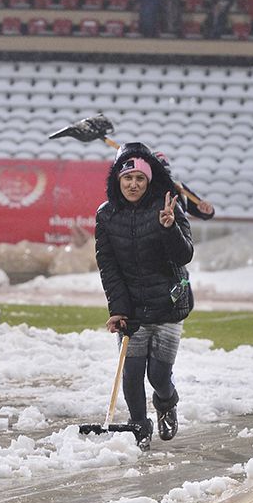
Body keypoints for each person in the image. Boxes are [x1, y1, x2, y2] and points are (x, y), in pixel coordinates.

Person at [95, 144, 194, 450]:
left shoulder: (168, 207)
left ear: (149, 180)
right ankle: (139, 426)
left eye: (140, 178)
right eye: (128, 178)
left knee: (159, 375)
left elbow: (184, 254)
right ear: (118, 180)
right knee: (132, 373)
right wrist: (119, 309)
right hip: (133, 309)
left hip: (167, 304)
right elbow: (108, 266)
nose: (133, 184)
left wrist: (169, 227)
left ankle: (166, 402)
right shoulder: (106, 215)